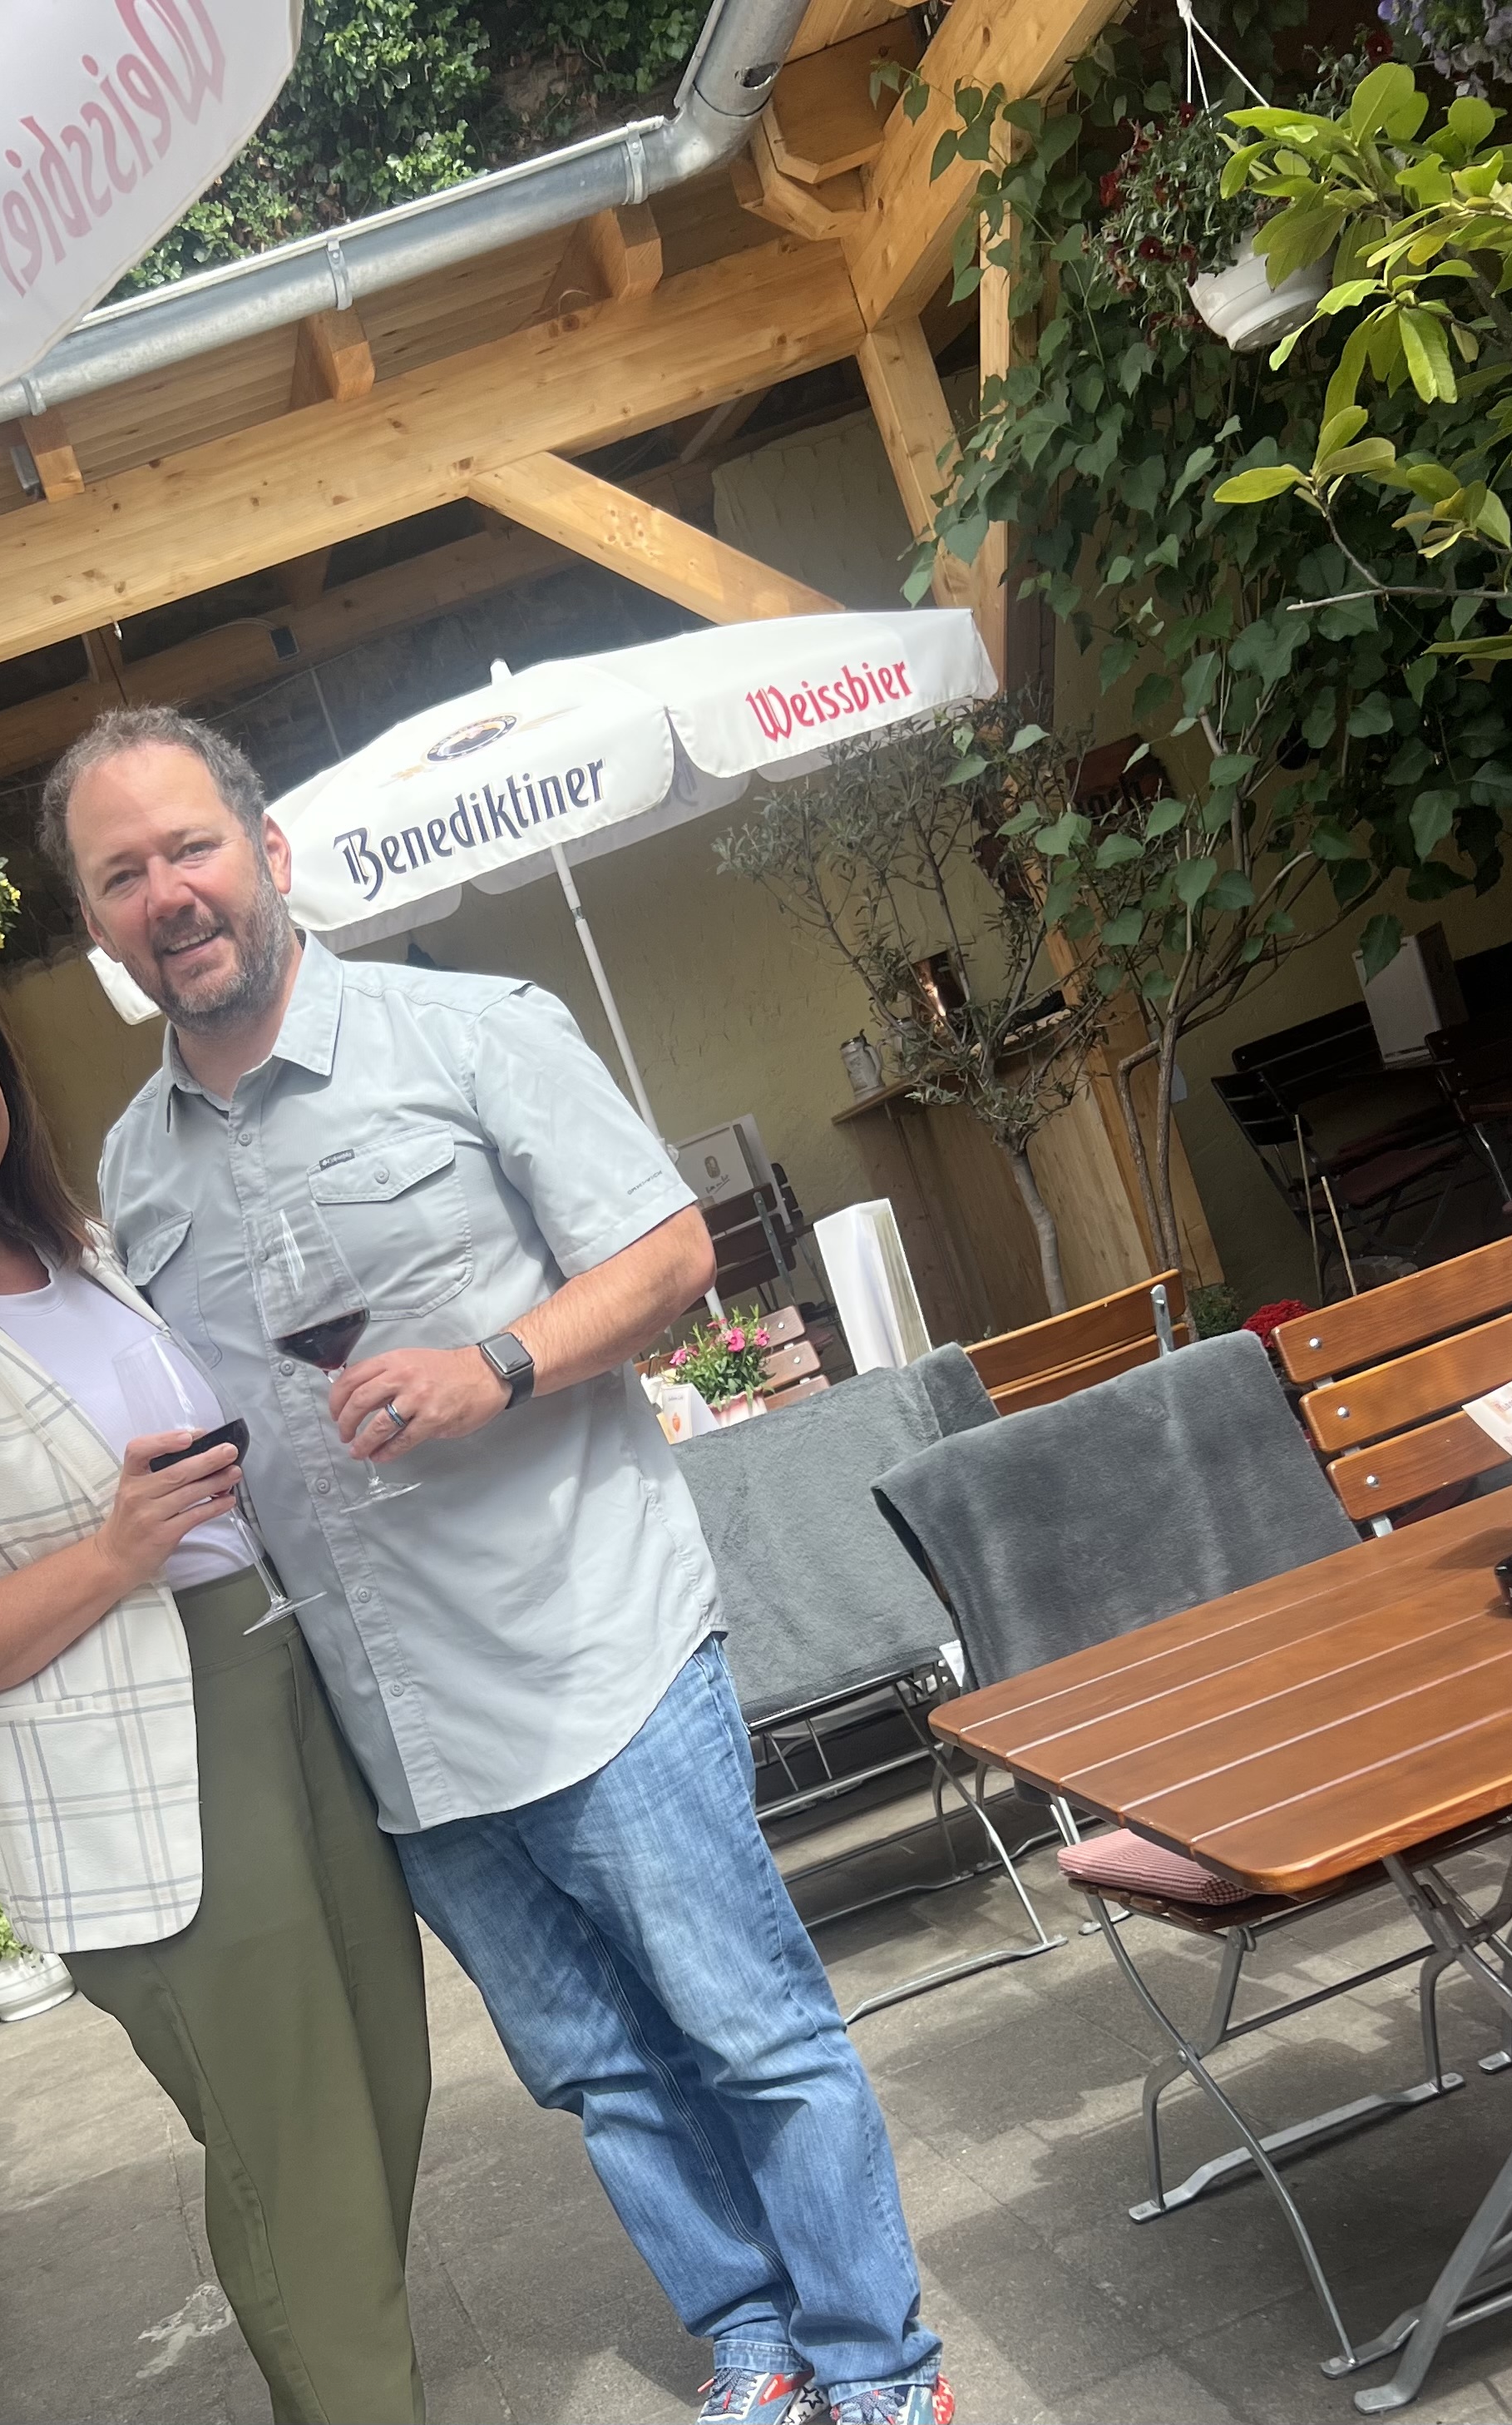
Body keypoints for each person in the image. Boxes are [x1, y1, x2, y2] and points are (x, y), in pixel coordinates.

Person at [53, 705, 952, 2425]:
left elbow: (670, 1251)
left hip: (589, 1647)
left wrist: (497, 1367)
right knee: (599, 2073)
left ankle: (879, 2367)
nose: (166, 892)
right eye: (121, 876)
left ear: (266, 855)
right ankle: (752, 2342)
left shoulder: (465, 1032)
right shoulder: (132, 1168)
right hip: (394, 1722)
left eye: (188, 848)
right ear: (99, 926)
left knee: (747, 2034)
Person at [0, 937, 427, 2425]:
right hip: (136, 1773)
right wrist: (113, 1553)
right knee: (299, 2150)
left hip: (281, 1698)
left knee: (384, 2085)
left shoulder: (79, 1248)